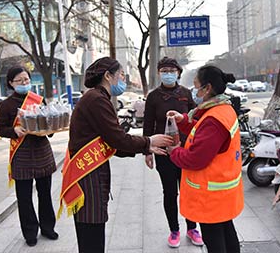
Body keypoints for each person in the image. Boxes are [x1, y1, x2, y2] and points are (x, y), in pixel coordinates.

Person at [58, 57, 173, 253]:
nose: (123, 79)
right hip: (88, 176)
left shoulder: (96, 97)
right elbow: (117, 138)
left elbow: (110, 142)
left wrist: (145, 147)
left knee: (92, 230)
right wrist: (149, 141)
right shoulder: (96, 99)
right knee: (91, 234)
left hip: (91, 173)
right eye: (121, 75)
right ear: (108, 76)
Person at [167, 65, 244, 253]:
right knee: (226, 231)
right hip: (223, 191)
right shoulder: (222, 109)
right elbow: (201, 133)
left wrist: (174, 151)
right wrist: (183, 121)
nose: (194, 91)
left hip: (211, 196)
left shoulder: (214, 119)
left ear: (207, 88)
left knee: (215, 239)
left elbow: (195, 159)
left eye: (196, 86)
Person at [143, 56, 203, 248]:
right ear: (159, 73)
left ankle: (192, 228)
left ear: (178, 73)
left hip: (186, 151)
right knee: (170, 192)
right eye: (164, 71)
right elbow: (148, 124)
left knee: (188, 191)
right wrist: (147, 150)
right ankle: (174, 230)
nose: (168, 74)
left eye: (171, 71)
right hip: (164, 152)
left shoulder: (186, 93)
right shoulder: (153, 96)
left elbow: (195, 119)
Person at [0, 65, 58, 247]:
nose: (24, 83)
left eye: (27, 80)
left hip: (41, 152)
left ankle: (48, 228)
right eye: (20, 80)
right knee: (24, 197)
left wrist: (51, 128)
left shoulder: (38, 100)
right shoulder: (5, 105)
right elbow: (1, 129)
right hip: (21, 155)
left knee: (45, 193)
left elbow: (49, 122)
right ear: (11, 83)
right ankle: (30, 232)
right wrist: (14, 130)